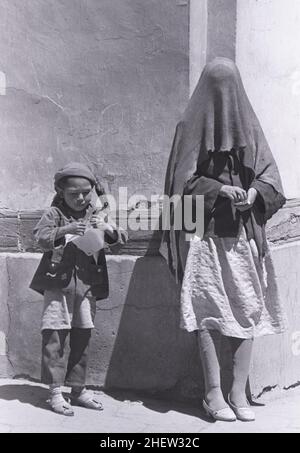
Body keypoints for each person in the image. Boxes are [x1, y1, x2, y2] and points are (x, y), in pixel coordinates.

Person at [160, 58, 286, 422]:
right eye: (216, 87)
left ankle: (238, 391)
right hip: (203, 238)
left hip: (243, 238)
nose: (223, 97)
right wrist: (217, 188)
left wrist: (254, 194)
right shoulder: (189, 127)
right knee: (207, 313)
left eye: (229, 87)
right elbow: (178, 186)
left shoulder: (251, 129)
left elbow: (271, 179)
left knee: (247, 308)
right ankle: (212, 393)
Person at [30, 162, 127, 416]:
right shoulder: (54, 214)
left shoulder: (96, 213)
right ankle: (54, 391)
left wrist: (108, 228)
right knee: (55, 336)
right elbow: (39, 236)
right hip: (57, 286)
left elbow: (121, 240)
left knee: (82, 337)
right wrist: (66, 229)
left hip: (86, 287)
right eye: (74, 194)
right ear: (62, 192)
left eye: (86, 192)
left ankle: (78, 388)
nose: (81, 198)